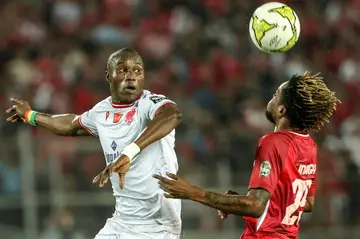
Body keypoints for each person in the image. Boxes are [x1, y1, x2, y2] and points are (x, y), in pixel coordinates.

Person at [6, 48, 183, 239]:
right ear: (109, 76)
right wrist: (30, 115)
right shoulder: (101, 111)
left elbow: (172, 115)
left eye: (137, 71)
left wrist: (130, 152)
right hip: (122, 220)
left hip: (157, 223)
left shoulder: (149, 103)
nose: (131, 77)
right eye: (123, 70)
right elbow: (71, 125)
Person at [153, 72, 340, 238]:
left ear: (282, 110)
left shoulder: (273, 142)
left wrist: (192, 192)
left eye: (276, 95)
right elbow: (305, 203)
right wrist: (235, 202)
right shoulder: (309, 145)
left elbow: (255, 206)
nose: (271, 98)